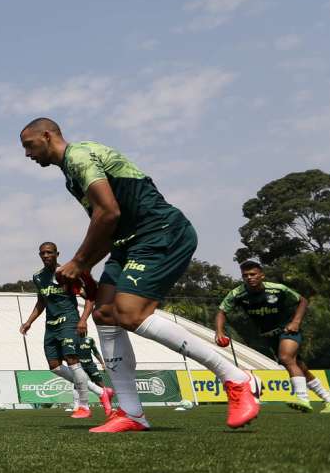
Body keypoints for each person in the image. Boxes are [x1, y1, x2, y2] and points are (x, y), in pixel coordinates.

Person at [20, 118, 259, 432]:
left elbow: (109, 212)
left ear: (47, 136)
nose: (27, 154)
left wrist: (79, 260)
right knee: (104, 314)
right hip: (128, 242)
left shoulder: (79, 156)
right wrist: (87, 264)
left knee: (130, 314)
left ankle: (237, 378)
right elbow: (107, 225)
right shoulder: (70, 176)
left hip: (160, 231)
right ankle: (131, 413)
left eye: (29, 145)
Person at [216, 260, 330, 414]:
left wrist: (295, 322)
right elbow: (222, 311)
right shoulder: (237, 294)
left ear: (262, 275)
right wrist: (219, 332)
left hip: (287, 329)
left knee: (286, 357)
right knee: (299, 366)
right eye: (245, 275)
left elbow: (302, 300)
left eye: (253, 274)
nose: (249, 277)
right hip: (269, 336)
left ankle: (302, 398)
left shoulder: (277, 289)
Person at [20, 242, 114, 419]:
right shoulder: (38, 277)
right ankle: (101, 392)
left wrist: (83, 320)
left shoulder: (68, 272)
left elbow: (90, 297)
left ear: (57, 253)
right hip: (51, 325)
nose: (46, 256)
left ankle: (84, 406)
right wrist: (29, 322)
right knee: (54, 367)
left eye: (49, 252)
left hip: (69, 321)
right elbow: (42, 302)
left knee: (72, 360)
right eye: (42, 253)